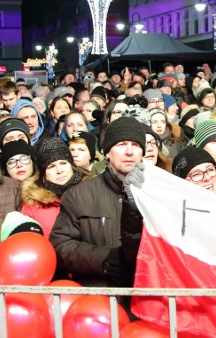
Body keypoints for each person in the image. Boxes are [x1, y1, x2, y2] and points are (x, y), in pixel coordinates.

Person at [49, 117, 146, 293]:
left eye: (136, 145)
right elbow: (60, 245)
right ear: (107, 152)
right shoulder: (78, 196)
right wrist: (104, 258)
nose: (130, 151)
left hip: (148, 299)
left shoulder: (157, 194)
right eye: (122, 144)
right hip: (98, 299)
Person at [21, 137, 87, 238]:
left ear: (71, 165)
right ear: (44, 175)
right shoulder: (33, 205)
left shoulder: (90, 192)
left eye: (63, 163)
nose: (59, 170)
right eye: (51, 166)